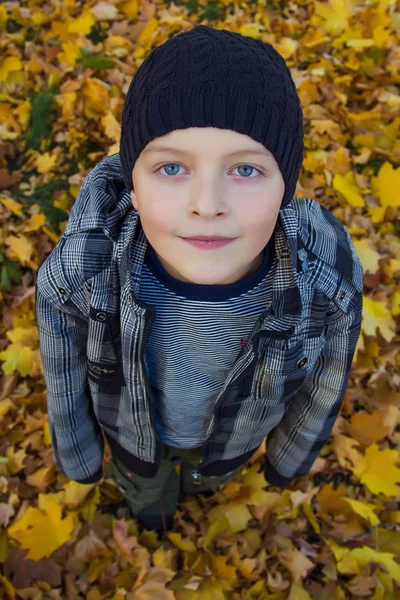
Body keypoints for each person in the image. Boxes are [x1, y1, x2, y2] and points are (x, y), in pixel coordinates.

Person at [35, 25, 364, 536]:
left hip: (233, 441)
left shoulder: (326, 284)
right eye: (171, 168)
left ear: (285, 189)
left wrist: (287, 459)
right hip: (131, 436)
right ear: (133, 186)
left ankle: (198, 486)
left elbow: (324, 384)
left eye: (246, 171)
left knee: (205, 479)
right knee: (148, 491)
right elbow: (63, 377)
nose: (207, 204)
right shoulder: (80, 278)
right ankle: (153, 512)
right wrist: (79, 456)